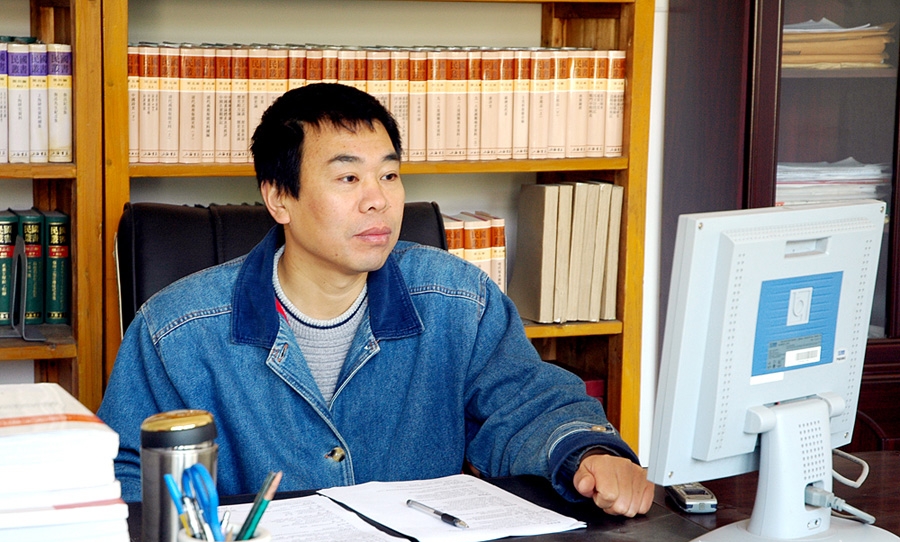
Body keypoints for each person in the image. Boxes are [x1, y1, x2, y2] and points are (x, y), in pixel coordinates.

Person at [99, 83, 654, 516]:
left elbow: (527, 405)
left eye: (389, 175)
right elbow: (129, 482)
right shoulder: (176, 329)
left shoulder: (459, 300)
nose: (378, 201)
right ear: (279, 198)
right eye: (348, 179)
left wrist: (590, 454)